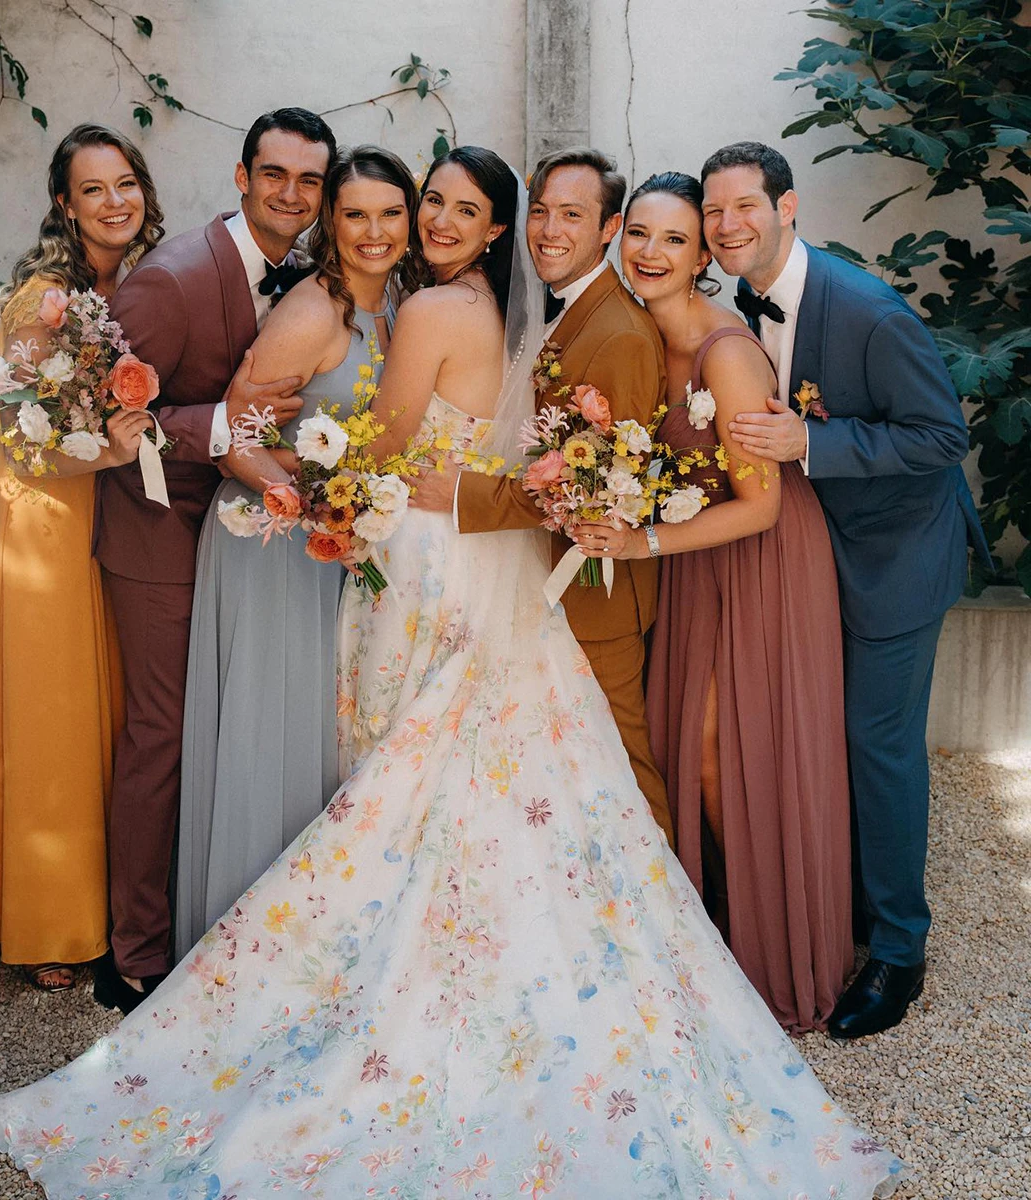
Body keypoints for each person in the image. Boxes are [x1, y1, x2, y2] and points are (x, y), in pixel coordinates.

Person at [0, 148, 902, 1199]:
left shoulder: (446, 313)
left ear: (512, 226)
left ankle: (402, 979)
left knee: (407, 774)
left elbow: (389, 459)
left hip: (433, 568)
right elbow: (429, 457)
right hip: (464, 568)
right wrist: (324, 461)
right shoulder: (488, 311)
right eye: (434, 202)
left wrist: (321, 473)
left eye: (468, 209)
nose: (435, 221)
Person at [702, 142, 990, 1039]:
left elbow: (941, 437)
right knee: (827, 734)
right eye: (713, 213)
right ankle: (845, 910)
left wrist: (814, 449)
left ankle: (899, 950)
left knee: (879, 746)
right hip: (819, 553)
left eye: (745, 206)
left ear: (789, 208)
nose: (727, 226)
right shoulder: (731, 311)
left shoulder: (868, 310)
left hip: (897, 556)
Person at [569, 171, 853, 1032]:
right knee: (684, 737)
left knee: (717, 753)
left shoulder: (726, 352)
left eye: (675, 240)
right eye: (640, 235)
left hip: (760, 559)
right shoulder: (637, 335)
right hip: (696, 560)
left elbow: (761, 501)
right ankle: (716, 927)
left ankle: (770, 951)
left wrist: (640, 539)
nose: (651, 253)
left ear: (702, 258)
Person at [94, 108, 337, 1012]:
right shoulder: (172, 281)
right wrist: (218, 429)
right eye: (274, 175)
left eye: (309, 181)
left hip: (247, 535)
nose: (291, 194)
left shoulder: (309, 277)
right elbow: (103, 423)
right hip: (158, 533)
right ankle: (136, 951)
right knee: (162, 733)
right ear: (241, 177)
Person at [0, 124, 162, 992]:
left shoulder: (120, 286)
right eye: (93, 189)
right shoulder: (47, 296)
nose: (115, 202)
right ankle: (37, 921)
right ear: (65, 203)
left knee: (76, 698)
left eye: (126, 183)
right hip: (28, 505)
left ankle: (69, 899)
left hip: (79, 495)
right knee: (43, 705)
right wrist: (105, 454)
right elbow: (15, 424)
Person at [175, 145, 420, 958]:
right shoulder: (313, 312)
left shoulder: (397, 307)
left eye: (391, 213)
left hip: (328, 542)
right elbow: (230, 441)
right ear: (330, 222)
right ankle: (244, 955)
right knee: (269, 735)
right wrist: (315, 494)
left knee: (320, 739)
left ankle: (311, 946)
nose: (374, 231)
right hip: (268, 541)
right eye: (355, 214)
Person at [408, 147, 674, 848]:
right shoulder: (562, 310)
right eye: (544, 212)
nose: (550, 229)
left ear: (609, 228)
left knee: (619, 769)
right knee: (567, 774)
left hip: (597, 587)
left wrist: (464, 495)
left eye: (574, 216)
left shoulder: (618, 333)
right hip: (539, 578)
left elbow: (595, 491)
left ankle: (669, 931)